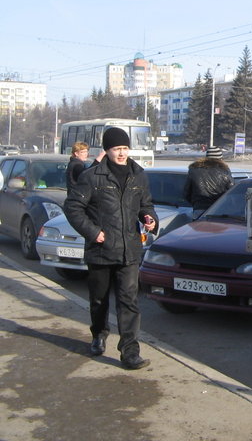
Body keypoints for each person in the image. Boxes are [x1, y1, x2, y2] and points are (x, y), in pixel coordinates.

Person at [63, 127, 158, 370]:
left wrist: (149, 217)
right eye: (117, 149)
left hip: (129, 251)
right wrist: (94, 232)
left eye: (125, 148)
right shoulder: (92, 176)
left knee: (129, 301)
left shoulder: (139, 175)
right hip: (101, 250)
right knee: (99, 300)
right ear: (107, 150)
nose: (122, 153)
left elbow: (145, 204)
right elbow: (73, 207)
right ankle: (98, 335)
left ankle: (130, 352)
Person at [183, 146, 234, 219]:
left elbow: (186, 193)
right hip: (218, 210)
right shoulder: (224, 171)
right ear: (220, 158)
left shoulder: (194, 170)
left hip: (199, 209)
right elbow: (231, 192)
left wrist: (196, 204)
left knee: (198, 229)